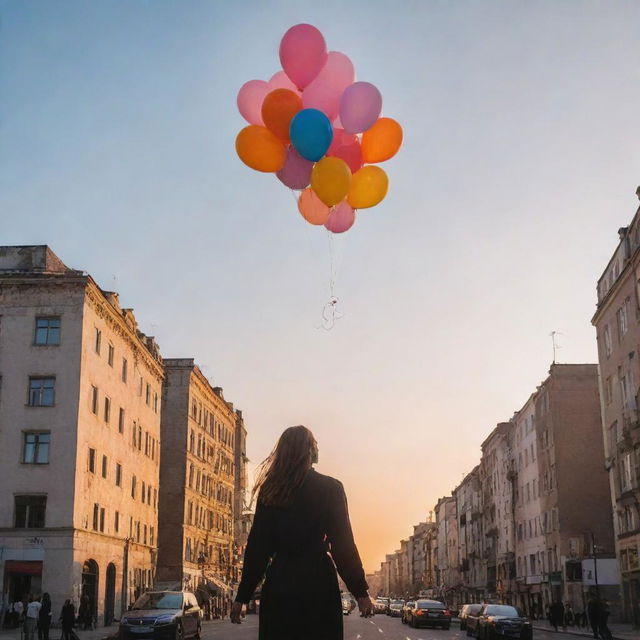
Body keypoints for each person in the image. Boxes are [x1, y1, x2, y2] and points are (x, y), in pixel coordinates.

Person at [230, 425, 373, 639]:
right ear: (310, 452)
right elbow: (343, 546)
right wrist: (360, 591)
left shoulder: (271, 491)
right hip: (318, 584)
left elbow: (257, 549)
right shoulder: (330, 488)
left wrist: (242, 596)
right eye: (314, 443)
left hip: (281, 583)